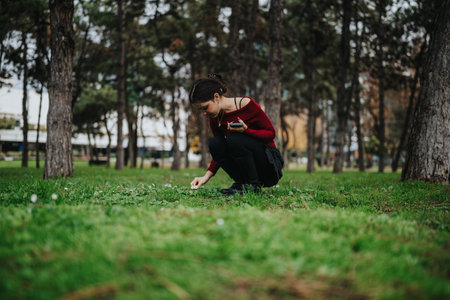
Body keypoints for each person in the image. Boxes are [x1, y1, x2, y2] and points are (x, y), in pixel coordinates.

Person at [189, 74, 283, 195]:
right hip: (247, 162)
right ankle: (242, 183)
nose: (204, 113)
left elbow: (271, 134)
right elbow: (219, 151)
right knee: (215, 144)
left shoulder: (246, 105)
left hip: (269, 165)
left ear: (216, 97)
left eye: (205, 107)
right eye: (200, 110)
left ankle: (253, 185)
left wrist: (246, 131)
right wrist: (206, 176)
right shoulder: (215, 117)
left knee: (234, 139)